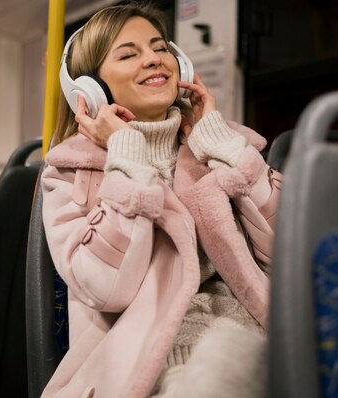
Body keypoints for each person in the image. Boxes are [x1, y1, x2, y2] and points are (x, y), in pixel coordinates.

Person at [40, 2, 282, 397]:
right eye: (129, 54)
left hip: (262, 334)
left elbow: (289, 250)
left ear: (181, 66)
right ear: (92, 90)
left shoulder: (220, 145)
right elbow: (104, 287)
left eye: (159, 48)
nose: (153, 60)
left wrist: (225, 150)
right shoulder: (71, 174)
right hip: (153, 357)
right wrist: (126, 157)